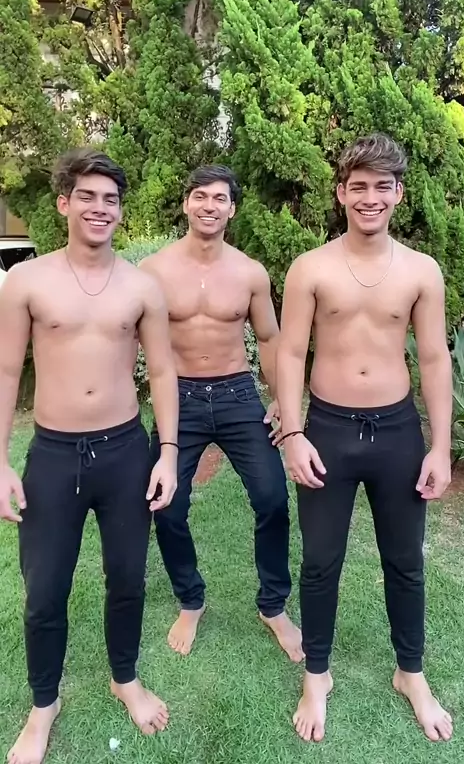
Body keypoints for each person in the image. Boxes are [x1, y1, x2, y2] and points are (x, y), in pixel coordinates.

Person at [0, 148, 179, 764]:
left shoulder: (142, 286)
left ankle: (124, 677)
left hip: (125, 452)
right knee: (44, 589)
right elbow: (5, 370)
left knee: (127, 578)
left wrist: (168, 453)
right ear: (64, 203)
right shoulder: (27, 281)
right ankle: (43, 705)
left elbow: (163, 371)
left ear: (120, 211)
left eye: (110, 199)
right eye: (87, 196)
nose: (100, 208)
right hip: (53, 456)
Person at [276, 133, 453, 744]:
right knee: (320, 561)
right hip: (327, 430)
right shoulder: (310, 268)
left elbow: (434, 358)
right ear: (341, 193)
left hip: (397, 432)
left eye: (382, 186)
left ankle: (411, 672)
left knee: (405, 562)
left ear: (399, 193)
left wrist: (439, 446)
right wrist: (292, 434)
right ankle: (317, 674)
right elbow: (290, 352)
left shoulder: (422, 271)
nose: (370, 197)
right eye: (358, 186)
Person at [139, 164, 303, 662]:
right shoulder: (153, 271)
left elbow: (270, 338)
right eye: (200, 196)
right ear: (186, 204)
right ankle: (191, 600)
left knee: (272, 499)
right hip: (179, 398)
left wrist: (282, 398)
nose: (209, 205)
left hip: (237, 395)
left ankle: (273, 605)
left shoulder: (250, 272)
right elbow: (134, 342)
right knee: (166, 505)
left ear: (232, 209)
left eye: (219, 198)